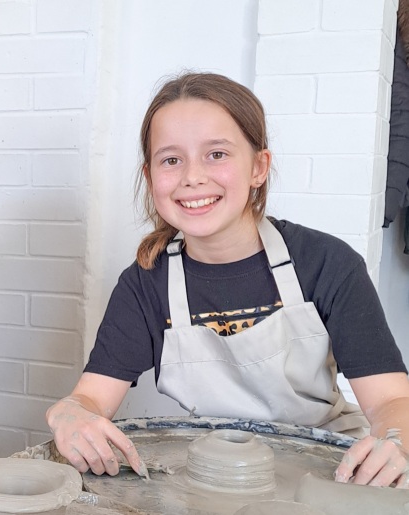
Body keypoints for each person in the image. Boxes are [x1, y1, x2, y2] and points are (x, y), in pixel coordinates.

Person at [46, 72, 409, 488]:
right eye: (171, 159)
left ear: (258, 166)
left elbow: (392, 400)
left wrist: (396, 442)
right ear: (150, 177)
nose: (192, 177)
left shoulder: (326, 263)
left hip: (327, 473)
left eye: (216, 154)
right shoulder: (146, 284)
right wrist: (71, 413)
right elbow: (90, 397)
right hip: (211, 477)